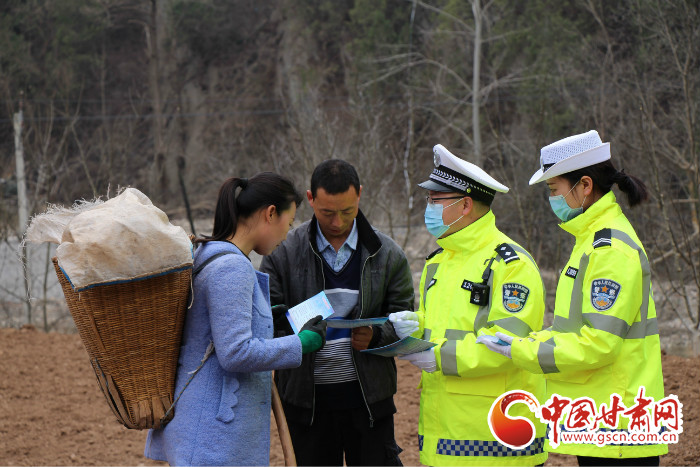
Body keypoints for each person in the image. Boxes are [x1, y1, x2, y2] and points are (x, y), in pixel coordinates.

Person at [480, 130, 668, 466]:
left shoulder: (609, 249)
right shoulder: (590, 241)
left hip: (618, 424)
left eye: (554, 190)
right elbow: (573, 328)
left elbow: (599, 342)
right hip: (603, 419)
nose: (550, 199)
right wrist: (527, 339)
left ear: (584, 186)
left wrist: (522, 350)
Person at [144, 173, 328, 466]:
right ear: (270, 214)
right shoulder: (233, 268)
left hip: (204, 433)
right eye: (288, 224)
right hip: (214, 439)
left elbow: (215, 331)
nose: (286, 236)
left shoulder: (209, 254)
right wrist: (299, 344)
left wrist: (266, 319)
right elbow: (235, 353)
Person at [388, 144, 548, 466]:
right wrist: (414, 324)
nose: (428, 207)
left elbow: (509, 344)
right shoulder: (440, 261)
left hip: (496, 438)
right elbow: (449, 322)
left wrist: (437, 356)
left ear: (464, 205)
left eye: (435, 200)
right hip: (444, 432)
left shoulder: (511, 264)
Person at [259, 159, 414, 466]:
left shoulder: (388, 253)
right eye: (327, 212)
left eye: (347, 211)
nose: (337, 222)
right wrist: (302, 334)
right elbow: (266, 323)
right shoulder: (283, 252)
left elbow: (406, 319)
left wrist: (377, 336)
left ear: (360, 194)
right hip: (304, 404)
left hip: (371, 404)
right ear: (310, 198)